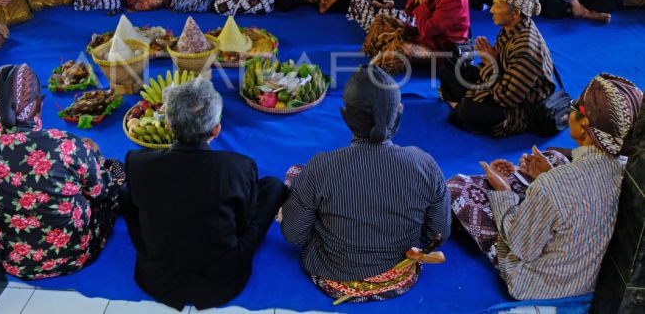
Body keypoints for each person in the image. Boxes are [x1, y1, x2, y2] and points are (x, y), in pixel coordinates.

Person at [447, 73, 642, 300]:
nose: (570, 111)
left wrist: (504, 193)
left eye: (573, 107)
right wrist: (550, 175)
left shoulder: (555, 184)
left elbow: (522, 246)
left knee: (458, 188)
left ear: (584, 126)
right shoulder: (629, 168)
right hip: (592, 273)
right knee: (556, 157)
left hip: (543, 282)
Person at [281, 65, 450, 303]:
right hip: (399, 278)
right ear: (399, 113)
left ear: (345, 117)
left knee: (297, 175)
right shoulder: (425, 165)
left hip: (335, 280)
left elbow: (294, 235)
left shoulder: (321, 167)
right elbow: (438, 234)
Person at [120, 79, 287, 310]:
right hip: (222, 276)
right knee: (273, 187)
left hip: (158, 276)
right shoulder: (238, 167)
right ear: (216, 129)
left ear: (168, 124)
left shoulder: (137, 162)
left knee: (126, 192)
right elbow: (242, 220)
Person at [0, 64, 124, 280]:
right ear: (39, 106)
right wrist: (96, 156)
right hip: (74, 256)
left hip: (15, 263)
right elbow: (99, 190)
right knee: (115, 172)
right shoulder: (67, 145)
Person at [439, 0, 555, 137]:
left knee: (468, 110)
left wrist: (489, 62)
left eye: (497, 5)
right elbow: (498, 68)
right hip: (498, 83)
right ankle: (459, 104)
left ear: (515, 13)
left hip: (518, 108)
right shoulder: (511, 28)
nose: (491, 10)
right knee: (450, 59)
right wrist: (490, 60)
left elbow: (506, 98)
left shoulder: (527, 49)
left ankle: (459, 105)